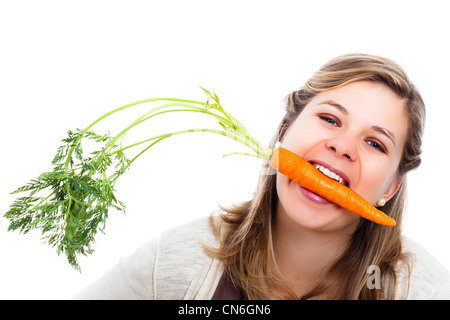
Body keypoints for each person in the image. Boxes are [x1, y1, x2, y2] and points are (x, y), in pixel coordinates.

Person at [74, 53, 450, 300]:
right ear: (287, 129)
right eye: (330, 119)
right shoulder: (178, 264)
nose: (343, 146)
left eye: (375, 143)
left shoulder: (425, 291)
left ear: (391, 188)